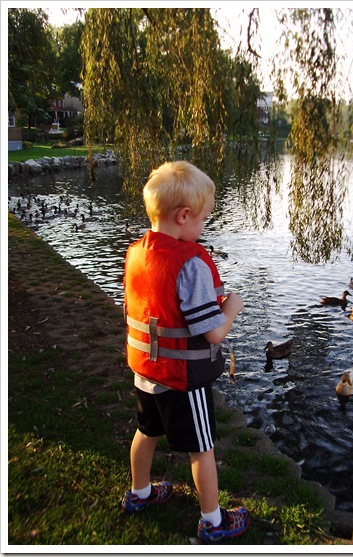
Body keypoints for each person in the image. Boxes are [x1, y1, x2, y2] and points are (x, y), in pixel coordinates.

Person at [121, 161, 250, 544]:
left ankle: (139, 494)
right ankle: (213, 521)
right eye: (204, 221)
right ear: (183, 216)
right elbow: (212, 333)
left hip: (146, 372)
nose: (203, 228)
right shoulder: (190, 263)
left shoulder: (135, 253)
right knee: (202, 447)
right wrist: (231, 308)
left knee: (145, 432)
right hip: (182, 379)